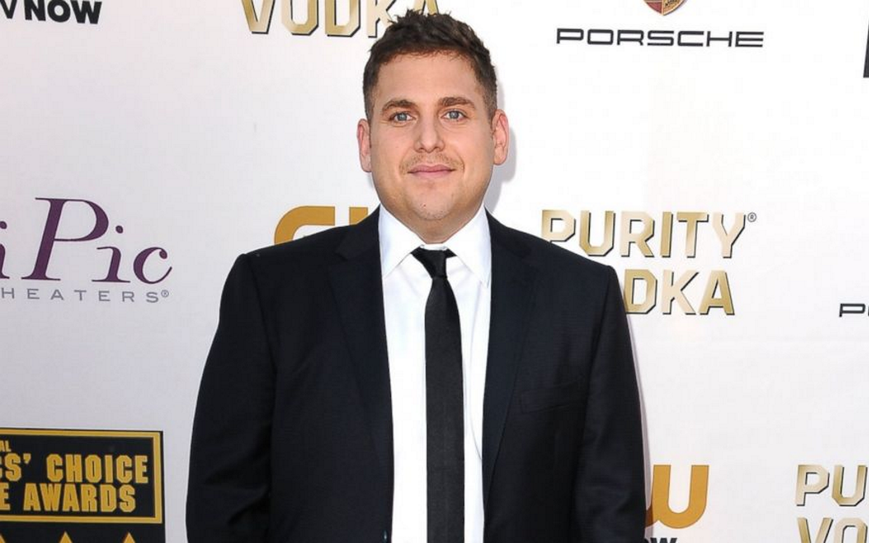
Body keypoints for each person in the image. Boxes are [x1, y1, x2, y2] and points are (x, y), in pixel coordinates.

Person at [187, 10, 645, 543]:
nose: (429, 139)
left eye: (454, 113)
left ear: (498, 136)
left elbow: (610, 515)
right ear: (366, 142)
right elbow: (224, 507)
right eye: (402, 115)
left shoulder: (581, 300)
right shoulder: (272, 294)